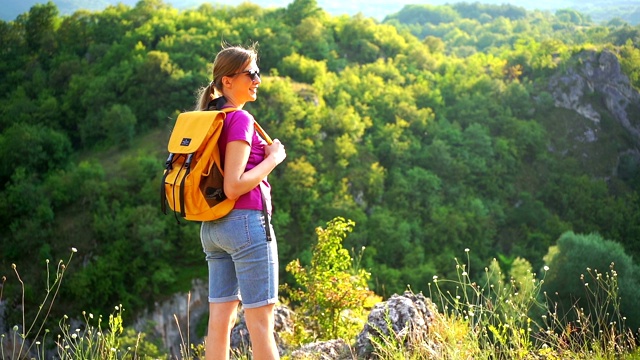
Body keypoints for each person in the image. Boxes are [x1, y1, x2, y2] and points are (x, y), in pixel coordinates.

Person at [196, 44, 286, 360]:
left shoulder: (209, 117)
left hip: (213, 228)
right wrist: (273, 159)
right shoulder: (239, 119)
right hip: (246, 224)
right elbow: (234, 186)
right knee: (260, 322)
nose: (258, 79)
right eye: (252, 73)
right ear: (228, 80)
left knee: (220, 320)